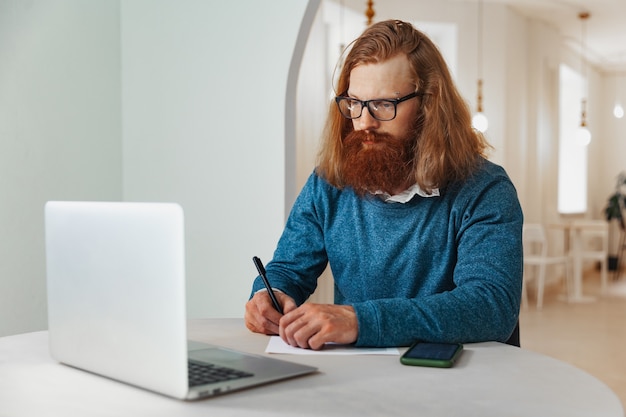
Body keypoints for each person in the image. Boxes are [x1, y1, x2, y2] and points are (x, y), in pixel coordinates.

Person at [245, 19, 523, 350]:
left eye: (383, 104)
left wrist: (360, 321)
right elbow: (289, 269)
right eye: (355, 103)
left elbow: (490, 306)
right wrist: (270, 294)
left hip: (454, 380)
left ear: (429, 105)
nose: (364, 122)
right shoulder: (328, 182)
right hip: (358, 378)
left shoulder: (485, 189)